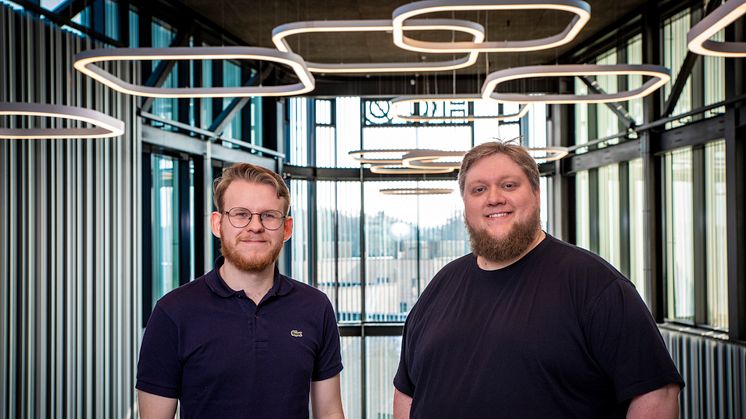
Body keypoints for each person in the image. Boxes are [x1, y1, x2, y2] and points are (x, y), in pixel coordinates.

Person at [393, 141, 684, 419]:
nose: (494, 198)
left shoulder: (595, 285)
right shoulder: (441, 286)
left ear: (536, 192)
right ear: (466, 203)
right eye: (479, 189)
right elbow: (407, 391)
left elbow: (656, 393)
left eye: (508, 185)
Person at [137, 163, 345, 419]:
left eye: (268, 215)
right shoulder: (173, 313)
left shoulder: (315, 307)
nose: (255, 226)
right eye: (240, 214)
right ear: (218, 224)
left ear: (287, 228)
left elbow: (330, 412)